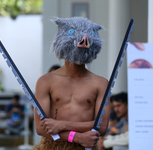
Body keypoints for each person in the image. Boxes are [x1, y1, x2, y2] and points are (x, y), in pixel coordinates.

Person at [33, 17, 111, 150]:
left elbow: (102, 126)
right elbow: (40, 128)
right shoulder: (46, 81)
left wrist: (61, 125)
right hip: (52, 146)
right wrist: (77, 137)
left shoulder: (101, 83)